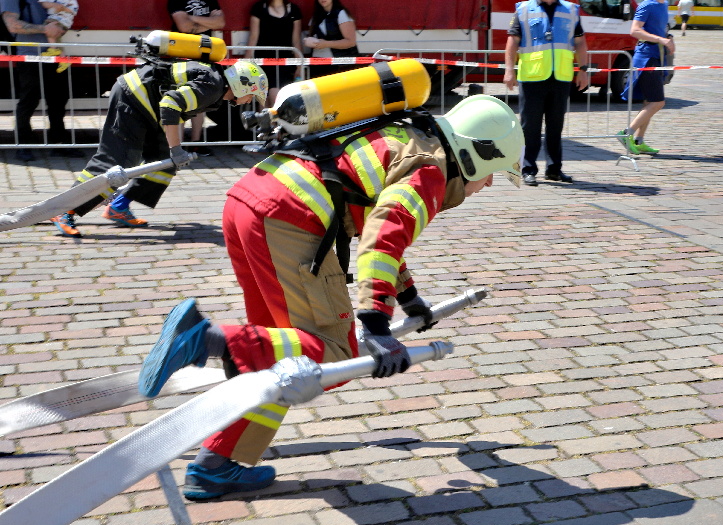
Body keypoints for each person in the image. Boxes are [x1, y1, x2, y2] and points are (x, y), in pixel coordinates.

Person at [136, 91, 525, 500]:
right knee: (335, 351)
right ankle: (203, 337)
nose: (490, 183)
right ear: (476, 155)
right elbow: (382, 243)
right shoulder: (431, 170)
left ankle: (218, 465)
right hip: (290, 218)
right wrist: (376, 326)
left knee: (280, 352)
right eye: (494, 171)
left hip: (252, 201)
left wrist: (409, 299)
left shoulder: (413, 138)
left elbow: (377, 223)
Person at [50, 58, 268, 237]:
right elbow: (170, 104)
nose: (250, 100)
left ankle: (119, 207)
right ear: (242, 84)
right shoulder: (212, 86)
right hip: (133, 98)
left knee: (163, 162)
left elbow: (173, 105)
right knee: (118, 161)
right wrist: (176, 149)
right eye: (253, 94)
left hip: (147, 104)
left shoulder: (216, 87)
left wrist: (171, 151)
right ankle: (65, 209)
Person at [503, 0, 589, 186]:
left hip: (560, 78)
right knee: (529, 127)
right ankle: (528, 169)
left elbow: (579, 42)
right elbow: (512, 42)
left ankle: (554, 169)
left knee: (555, 126)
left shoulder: (570, 10)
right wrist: (509, 70)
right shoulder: (523, 10)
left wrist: (584, 69)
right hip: (532, 78)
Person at [1, 0, 77, 161]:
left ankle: (59, 143)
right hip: (28, 56)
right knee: (29, 99)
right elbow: (12, 25)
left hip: (51, 55)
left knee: (58, 99)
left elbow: (56, 20)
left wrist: (58, 29)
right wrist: (45, 30)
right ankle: (23, 145)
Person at [167, 0, 225, 155]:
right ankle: (178, 146)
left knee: (201, 99)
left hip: (204, 54)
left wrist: (192, 18)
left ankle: (197, 142)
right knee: (181, 98)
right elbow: (183, 27)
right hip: (182, 54)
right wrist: (205, 19)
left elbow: (220, 23)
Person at [616, 0, 674, 156]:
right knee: (658, 102)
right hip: (646, 57)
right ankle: (627, 133)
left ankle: (639, 141)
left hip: (657, 56)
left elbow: (659, 29)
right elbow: (634, 30)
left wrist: (668, 38)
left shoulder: (663, 4)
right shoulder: (647, 5)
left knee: (649, 101)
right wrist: (661, 40)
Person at [247, 0, 302, 106]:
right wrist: (246, 62)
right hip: (263, 61)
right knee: (263, 99)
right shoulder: (259, 9)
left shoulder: (294, 10)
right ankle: (264, 126)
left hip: (285, 62)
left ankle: (277, 126)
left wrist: (300, 65)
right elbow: (253, 37)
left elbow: (296, 40)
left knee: (277, 94)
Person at [304, 0, 359, 79]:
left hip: (338, 67)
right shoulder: (315, 17)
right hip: (317, 66)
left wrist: (326, 44)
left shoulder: (341, 14)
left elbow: (351, 42)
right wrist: (307, 41)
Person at [37, 0, 78, 73]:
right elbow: (42, 3)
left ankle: (53, 50)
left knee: (49, 27)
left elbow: (74, 9)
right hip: (53, 18)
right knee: (56, 36)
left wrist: (64, 8)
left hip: (63, 20)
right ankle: (63, 59)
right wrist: (53, 5)